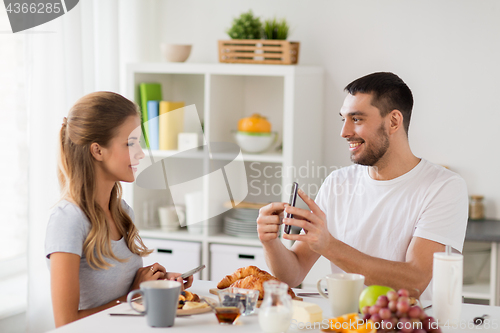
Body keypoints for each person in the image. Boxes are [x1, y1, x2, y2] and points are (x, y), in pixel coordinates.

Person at [257, 72, 468, 301]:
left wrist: (329, 246)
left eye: (357, 119)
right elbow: (293, 274)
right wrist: (271, 242)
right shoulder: (337, 183)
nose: (344, 132)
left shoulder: (443, 187)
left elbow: (415, 280)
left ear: (394, 121)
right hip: (346, 322)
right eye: (343, 119)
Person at [45, 92, 193, 327]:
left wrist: (155, 284)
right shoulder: (69, 220)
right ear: (97, 151)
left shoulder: (122, 212)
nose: (141, 153)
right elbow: (66, 323)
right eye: (130, 143)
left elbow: (123, 288)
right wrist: (133, 296)